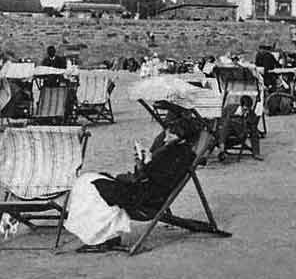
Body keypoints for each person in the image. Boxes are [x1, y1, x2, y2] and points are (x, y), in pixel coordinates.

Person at [65, 107, 203, 253]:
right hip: (143, 192)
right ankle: (105, 234)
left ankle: (102, 237)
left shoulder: (176, 154)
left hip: (143, 198)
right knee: (90, 180)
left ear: (181, 136)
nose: (166, 138)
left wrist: (147, 164)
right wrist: (142, 164)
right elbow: (154, 176)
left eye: (170, 135)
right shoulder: (178, 151)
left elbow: (157, 179)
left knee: (88, 184)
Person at [218, 95, 263, 160]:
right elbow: (220, 118)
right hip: (226, 132)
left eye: (248, 109)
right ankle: (220, 151)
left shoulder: (251, 115)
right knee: (226, 124)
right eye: (245, 109)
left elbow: (254, 132)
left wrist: (256, 152)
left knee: (231, 123)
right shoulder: (230, 108)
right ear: (241, 105)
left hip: (240, 134)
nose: (246, 111)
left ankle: (221, 151)